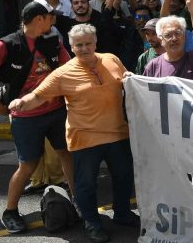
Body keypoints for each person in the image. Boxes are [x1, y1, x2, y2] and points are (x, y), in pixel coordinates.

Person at [8, 24, 137, 243]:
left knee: (124, 177)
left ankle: (123, 214)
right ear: (71, 46)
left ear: (95, 43)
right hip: (84, 138)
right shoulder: (63, 73)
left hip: (118, 134)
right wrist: (21, 103)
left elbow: (128, 81)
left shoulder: (111, 59)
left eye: (88, 43)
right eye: (79, 45)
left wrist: (132, 78)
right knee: (86, 184)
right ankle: (92, 223)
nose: (84, 48)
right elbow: (38, 96)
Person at [0, 0, 74, 234]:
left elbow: (71, 69)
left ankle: (79, 203)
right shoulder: (6, 45)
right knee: (28, 165)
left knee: (67, 155)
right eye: (50, 16)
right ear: (38, 19)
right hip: (25, 116)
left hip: (56, 112)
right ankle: (10, 212)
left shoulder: (53, 41)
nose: (54, 20)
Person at [143, 16, 193, 80]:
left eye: (178, 33)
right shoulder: (153, 66)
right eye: (168, 35)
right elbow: (143, 90)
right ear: (160, 39)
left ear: (184, 36)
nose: (174, 39)